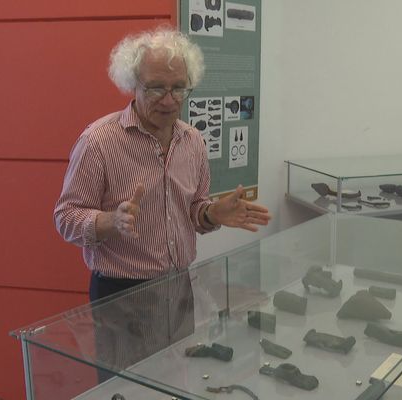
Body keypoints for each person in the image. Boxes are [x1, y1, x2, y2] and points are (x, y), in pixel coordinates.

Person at [53, 26, 271, 377]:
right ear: (132, 84)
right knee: (127, 389)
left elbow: (194, 210)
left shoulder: (194, 142)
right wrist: (111, 221)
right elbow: (65, 217)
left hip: (180, 288)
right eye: (155, 87)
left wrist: (212, 213)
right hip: (122, 296)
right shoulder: (99, 142)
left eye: (178, 88)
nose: (169, 100)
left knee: (177, 381)